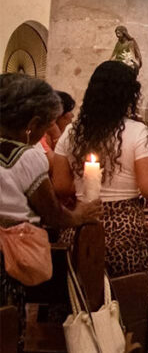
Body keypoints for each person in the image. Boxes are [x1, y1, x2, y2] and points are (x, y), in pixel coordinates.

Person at [51, 61, 148, 352]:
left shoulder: (72, 131)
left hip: (78, 225)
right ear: (130, 94)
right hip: (124, 231)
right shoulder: (138, 133)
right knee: (127, 303)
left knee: (77, 302)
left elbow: (61, 186)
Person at [0, 74, 102, 352]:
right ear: (32, 125)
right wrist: (81, 214)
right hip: (9, 256)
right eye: (46, 126)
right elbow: (52, 213)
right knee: (7, 331)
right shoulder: (26, 156)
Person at [39, 90, 74, 157]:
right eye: (70, 111)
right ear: (59, 114)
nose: (72, 115)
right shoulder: (41, 137)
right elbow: (54, 162)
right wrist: (56, 134)